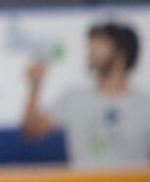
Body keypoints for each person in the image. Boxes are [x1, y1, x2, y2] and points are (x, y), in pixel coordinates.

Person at [21, 22, 150, 166]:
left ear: (121, 52)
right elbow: (32, 129)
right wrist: (35, 87)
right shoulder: (75, 99)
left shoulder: (145, 106)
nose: (92, 50)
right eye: (91, 44)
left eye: (101, 43)